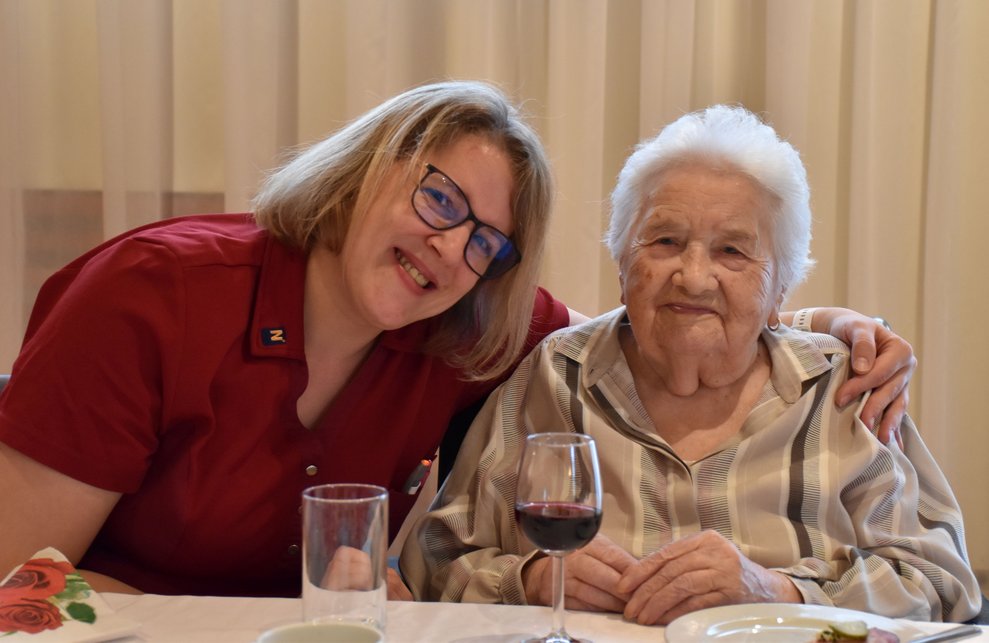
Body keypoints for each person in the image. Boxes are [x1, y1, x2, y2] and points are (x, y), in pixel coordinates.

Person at [0, 81, 913, 599]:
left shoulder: (466, 329)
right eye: (438, 199)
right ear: (365, 167)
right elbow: (13, 583)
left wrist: (817, 324)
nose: (448, 246)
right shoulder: (153, 294)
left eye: (485, 240)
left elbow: (682, 307)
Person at [400, 104, 981, 623]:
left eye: (732, 250)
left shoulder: (846, 391)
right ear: (623, 264)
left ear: (780, 286)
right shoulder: (557, 376)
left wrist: (778, 593)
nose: (694, 276)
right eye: (665, 241)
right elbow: (436, 557)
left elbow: (943, 585)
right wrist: (526, 580)